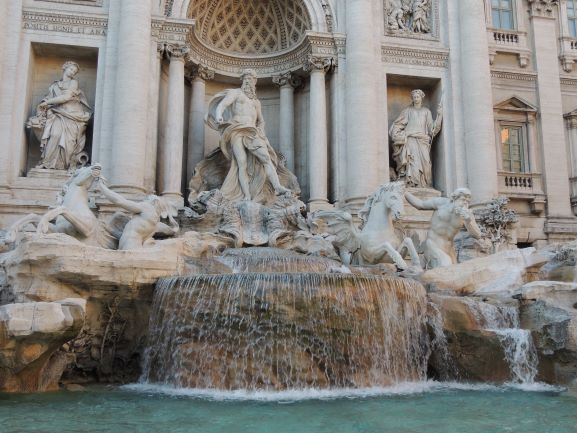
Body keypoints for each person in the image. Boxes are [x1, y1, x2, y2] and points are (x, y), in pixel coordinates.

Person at [206, 69, 291, 203]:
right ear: (242, 80)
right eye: (245, 78)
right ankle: (246, 195)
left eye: (250, 79)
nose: (247, 81)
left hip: (252, 132)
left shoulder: (256, 102)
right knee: (242, 163)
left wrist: (261, 130)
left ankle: (278, 187)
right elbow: (222, 105)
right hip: (237, 130)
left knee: (266, 158)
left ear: (254, 82)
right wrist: (218, 115)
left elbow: (261, 120)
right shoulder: (235, 93)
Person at [27, 61, 92, 170]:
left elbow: (66, 98)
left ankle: (63, 166)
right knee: (55, 135)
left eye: (74, 72)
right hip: (57, 113)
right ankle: (47, 163)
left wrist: (47, 103)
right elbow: (48, 98)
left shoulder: (73, 83)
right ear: (64, 68)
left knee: (69, 142)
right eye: (71, 69)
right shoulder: (54, 85)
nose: (72, 72)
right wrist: (44, 103)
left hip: (72, 115)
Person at [405, 187, 482, 268]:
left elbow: (477, 235)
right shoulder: (441, 203)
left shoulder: (467, 215)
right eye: (463, 200)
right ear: (454, 198)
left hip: (449, 250)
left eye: (467, 202)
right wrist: (404, 193)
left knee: (453, 275)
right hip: (433, 245)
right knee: (446, 266)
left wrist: (468, 221)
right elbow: (420, 204)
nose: (465, 204)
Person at [98, 179, 179, 250]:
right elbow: (129, 234)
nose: (143, 202)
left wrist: (102, 188)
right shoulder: (154, 224)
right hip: (133, 246)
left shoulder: (147, 207)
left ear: (154, 202)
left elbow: (120, 201)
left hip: (129, 246)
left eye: (146, 199)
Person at [389, 89, 442, 188]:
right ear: (412, 99)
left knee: (426, 163)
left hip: (423, 140)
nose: (416, 99)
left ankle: (424, 185)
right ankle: (412, 184)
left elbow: (432, 130)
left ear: (421, 98)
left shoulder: (427, 112)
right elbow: (397, 125)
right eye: (414, 97)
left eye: (417, 97)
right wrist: (399, 135)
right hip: (410, 139)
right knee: (412, 162)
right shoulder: (407, 111)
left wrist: (439, 115)